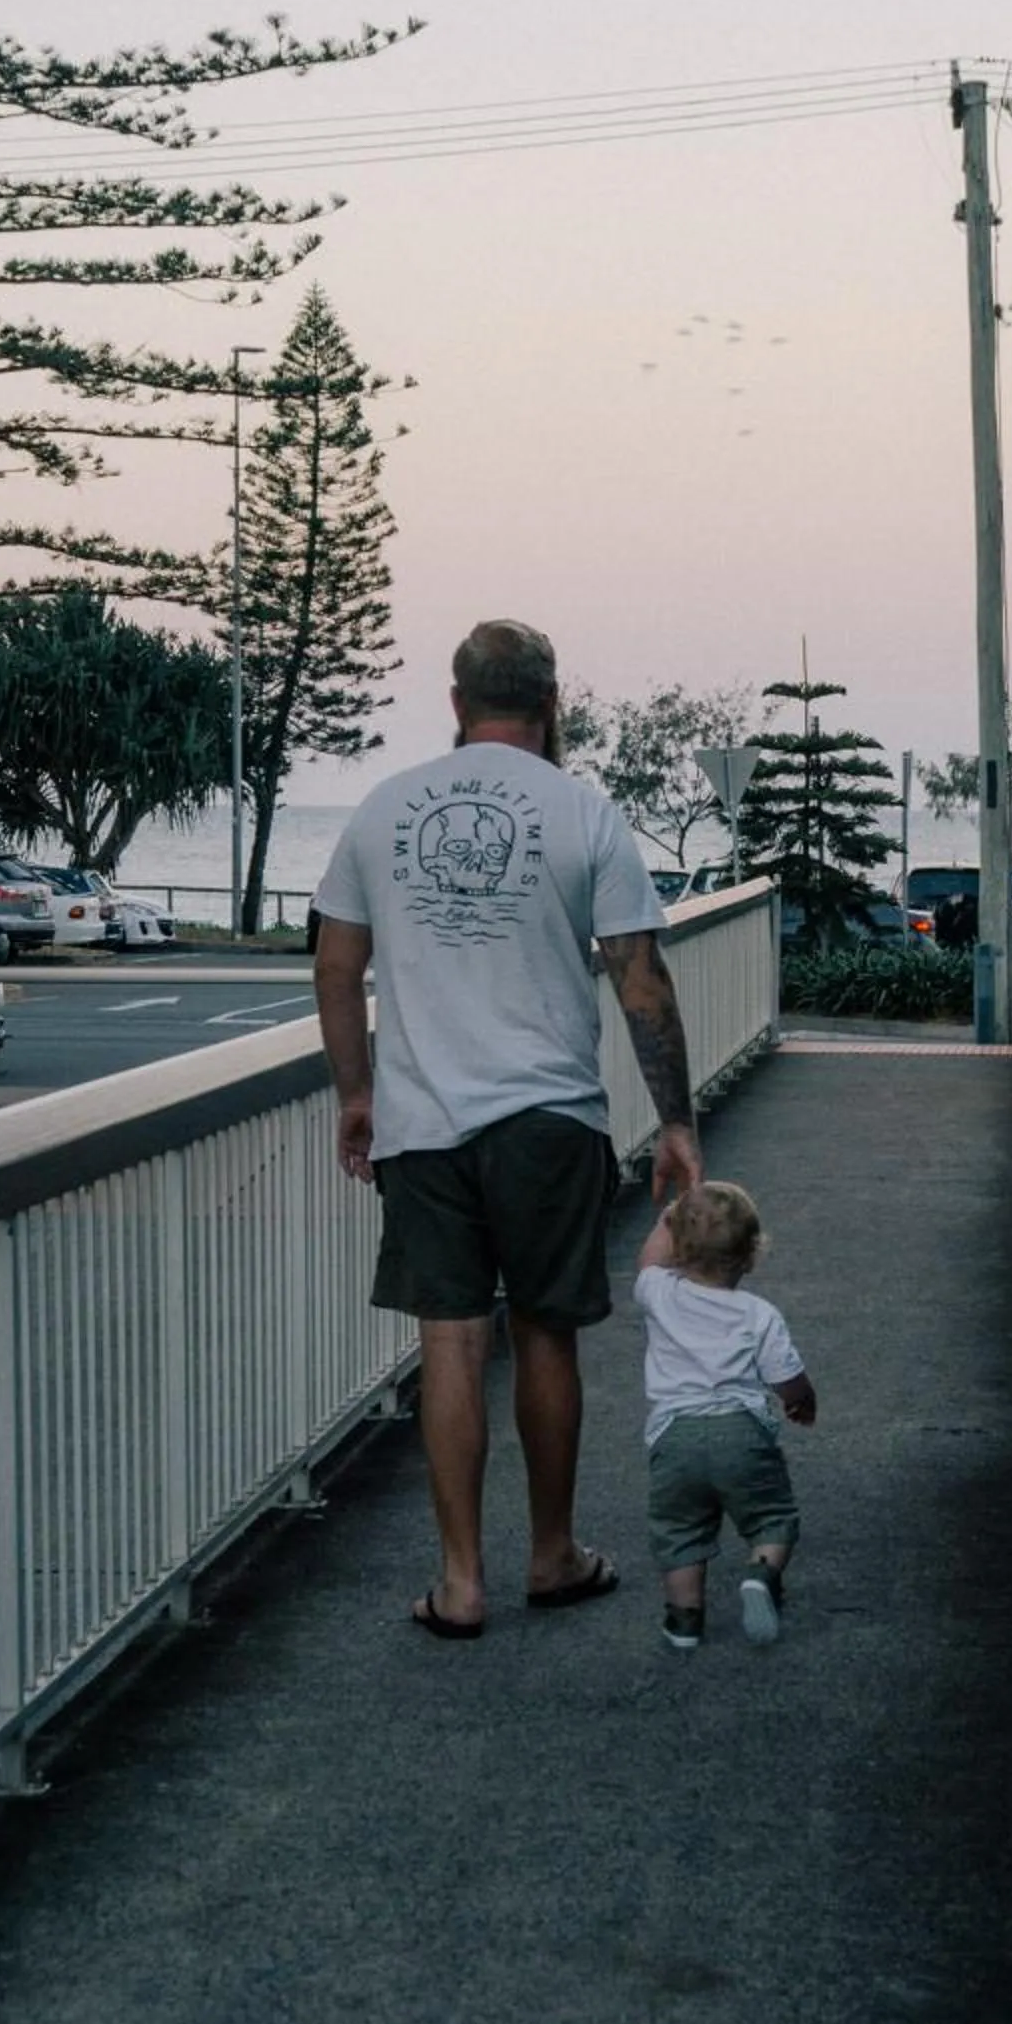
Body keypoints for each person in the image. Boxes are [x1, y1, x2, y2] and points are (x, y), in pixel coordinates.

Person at [312, 618, 703, 1638]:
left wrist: (357, 1094)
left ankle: (458, 1582)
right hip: (547, 1117)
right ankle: (550, 1555)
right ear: (550, 703)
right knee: (542, 1334)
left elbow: (335, 966)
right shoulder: (582, 811)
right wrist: (676, 1122)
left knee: (448, 1342)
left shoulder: (383, 810)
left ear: (456, 702)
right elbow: (638, 980)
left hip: (424, 1122)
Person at [634, 1178, 816, 1651]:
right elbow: (786, 1376)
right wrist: (801, 1401)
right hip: (742, 1433)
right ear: (751, 1254)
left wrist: (667, 1218)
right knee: (773, 1517)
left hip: (674, 1438)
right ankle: (761, 1572)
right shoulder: (758, 1314)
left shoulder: (658, 1292)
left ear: (676, 1245)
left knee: (679, 1531)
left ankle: (684, 1621)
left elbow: (648, 1260)